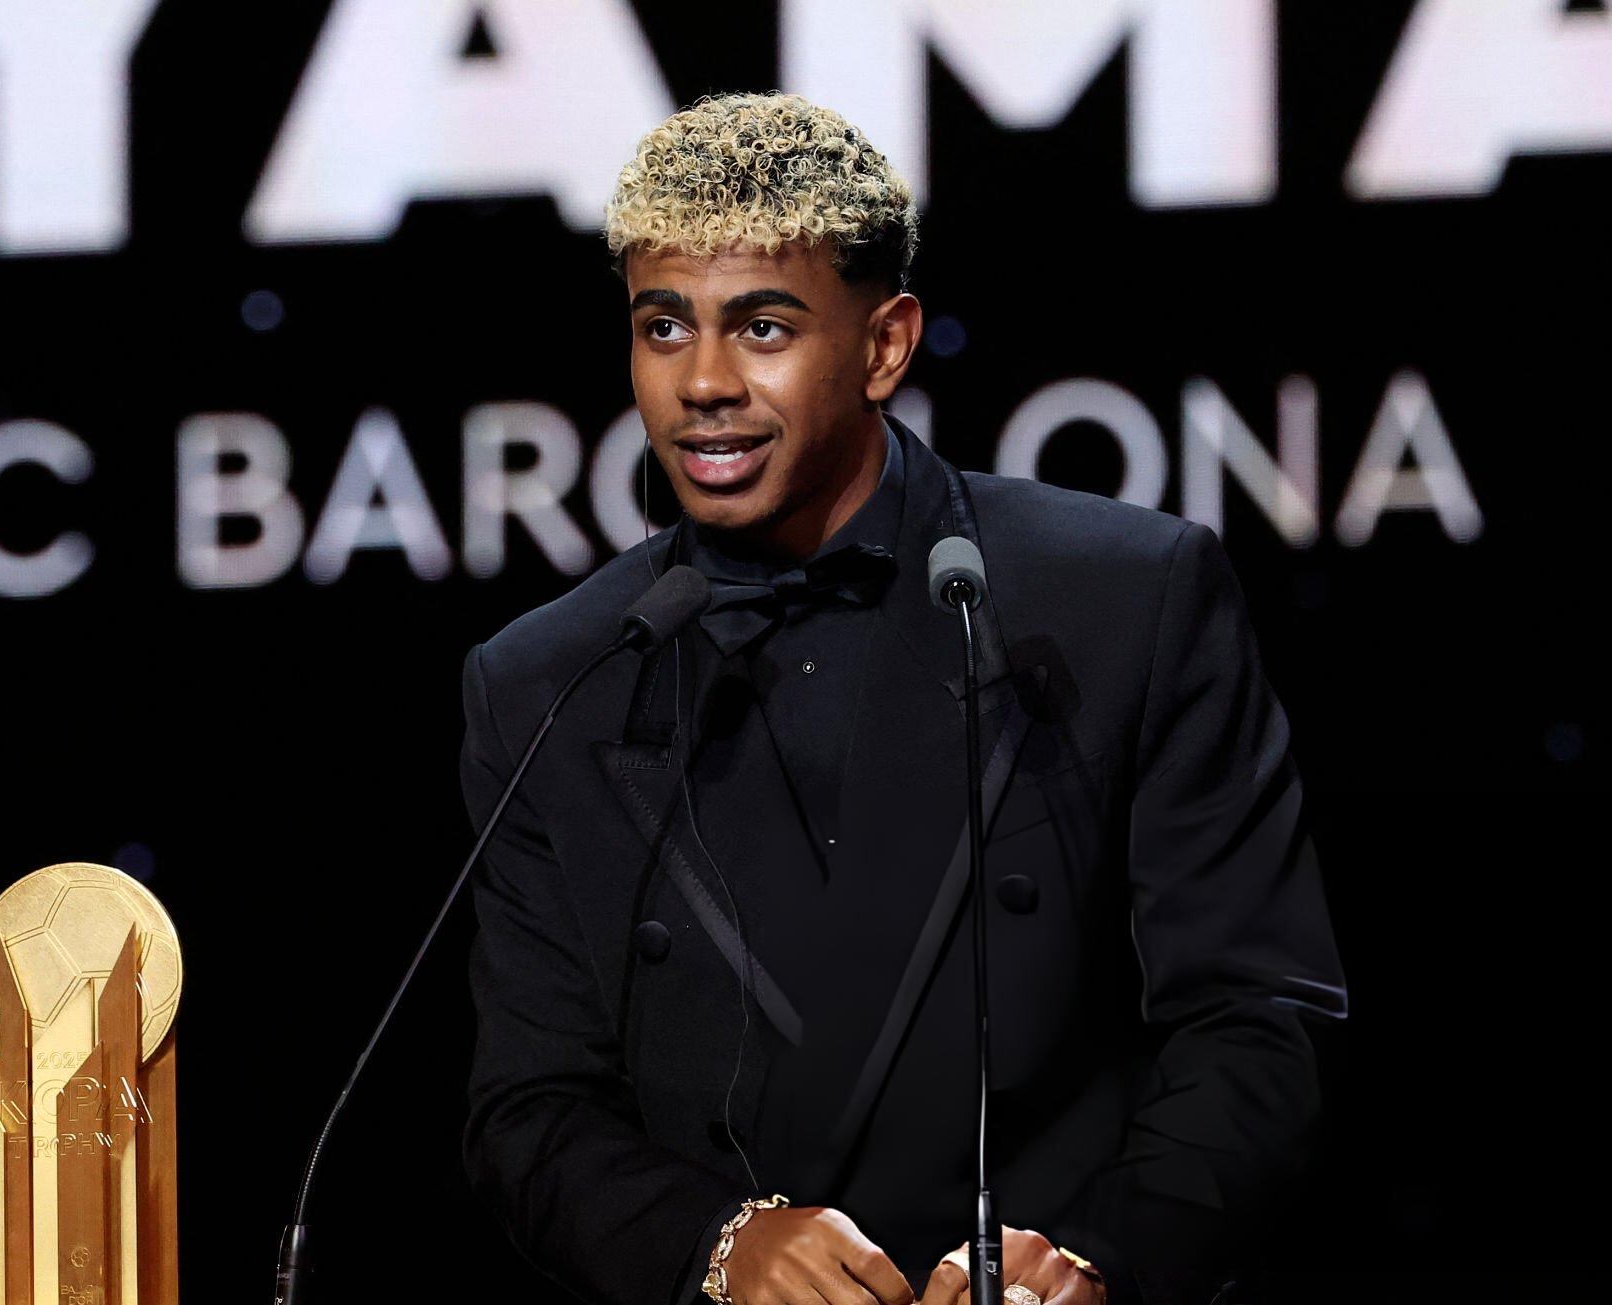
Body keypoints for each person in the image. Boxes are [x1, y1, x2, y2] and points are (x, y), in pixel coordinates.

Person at [457, 91, 1345, 1305]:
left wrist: (1098, 1255)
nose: (702, 382)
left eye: (761, 328)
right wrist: (713, 1243)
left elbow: (1256, 1018)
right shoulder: (547, 681)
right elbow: (530, 1108)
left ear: (883, 346)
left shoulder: (1119, 601)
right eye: (663, 327)